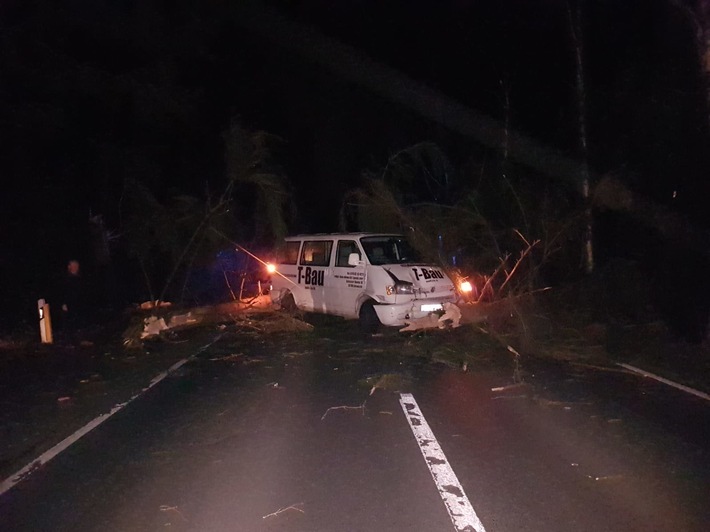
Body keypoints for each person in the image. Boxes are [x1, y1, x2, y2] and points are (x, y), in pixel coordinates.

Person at [58, 259, 87, 335]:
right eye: (73, 266)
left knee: (79, 323)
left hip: (79, 304)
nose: (75, 267)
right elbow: (62, 292)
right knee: (68, 323)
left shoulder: (81, 278)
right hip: (69, 304)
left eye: (76, 266)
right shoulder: (65, 279)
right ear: (69, 267)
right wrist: (63, 303)